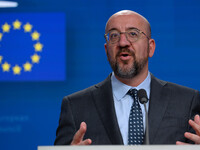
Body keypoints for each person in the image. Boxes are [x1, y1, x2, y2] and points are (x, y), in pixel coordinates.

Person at [54, 10, 200, 145]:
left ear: (151, 47)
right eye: (114, 35)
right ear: (106, 50)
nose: (123, 43)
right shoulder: (75, 106)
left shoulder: (188, 101)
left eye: (133, 34)